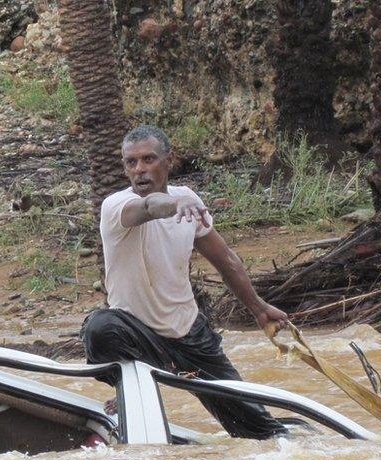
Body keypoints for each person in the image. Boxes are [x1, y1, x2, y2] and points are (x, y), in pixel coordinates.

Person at [81, 125, 289, 440]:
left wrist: (258, 308)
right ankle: (132, 387)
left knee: (262, 430)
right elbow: (150, 206)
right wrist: (175, 205)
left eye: (148, 159)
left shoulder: (188, 200)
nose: (139, 170)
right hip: (136, 335)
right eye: (131, 162)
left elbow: (226, 260)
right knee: (99, 327)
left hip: (189, 332)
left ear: (169, 161)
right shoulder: (116, 206)